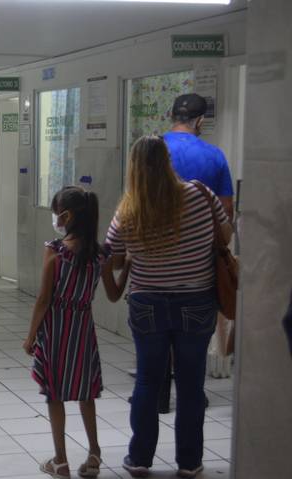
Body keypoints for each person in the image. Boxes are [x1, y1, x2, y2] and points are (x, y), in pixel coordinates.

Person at [105, 136, 232, 479]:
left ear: (133, 167)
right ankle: (189, 463)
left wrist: (137, 254)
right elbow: (225, 235)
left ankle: (139, 459)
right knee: (191, 385)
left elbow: (114, 259)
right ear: (167, 160)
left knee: (148, 381)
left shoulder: (128, 209)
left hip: (147, 303)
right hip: (196, 301)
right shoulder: (200, 195)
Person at [23, 186, 129, 479]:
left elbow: (44, 299)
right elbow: (114, 294)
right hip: (83, 330)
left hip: (56, 331)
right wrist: (128, 266)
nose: (55, 218)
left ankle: (60, 461)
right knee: (86, 394)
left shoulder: (55, 251)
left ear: (67, 216)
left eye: (56, 212)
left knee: (54, 394)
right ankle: (94, 454)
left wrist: (30, 336)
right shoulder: (101, 256)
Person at [159, 93, 236, 412]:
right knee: (193, 331)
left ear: (171, 115)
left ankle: (159, 394)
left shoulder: (152, 149)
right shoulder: (214, 156)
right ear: (201, 120)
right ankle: (193, 393)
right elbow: (227, 210)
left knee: (157, 329)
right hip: (199, 263)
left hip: (156, 258)